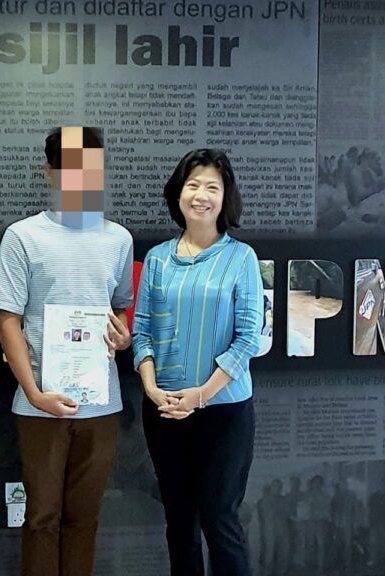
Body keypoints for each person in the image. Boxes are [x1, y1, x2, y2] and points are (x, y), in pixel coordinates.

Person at [0, 126, 134, 576]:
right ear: (50, 172)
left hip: (101, 404)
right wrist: (34, 393)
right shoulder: (22, 236)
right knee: (40, 519)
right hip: (40, 405)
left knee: (85, 519)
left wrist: (123, 337)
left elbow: (122, 308)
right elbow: (7, 320)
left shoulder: (118, 239)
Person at [132, 148, 263, 576]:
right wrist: (152, 389)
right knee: (179, 521)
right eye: (193, 185)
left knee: (220, 520)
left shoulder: (241, 258)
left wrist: (202, 395)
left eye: (212, 187)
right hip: (165, 410)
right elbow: (142, 331)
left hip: (223, 412)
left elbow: (248, 337)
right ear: (178, 193)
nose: (201, 196)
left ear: (225, 198)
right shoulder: (158, 259)